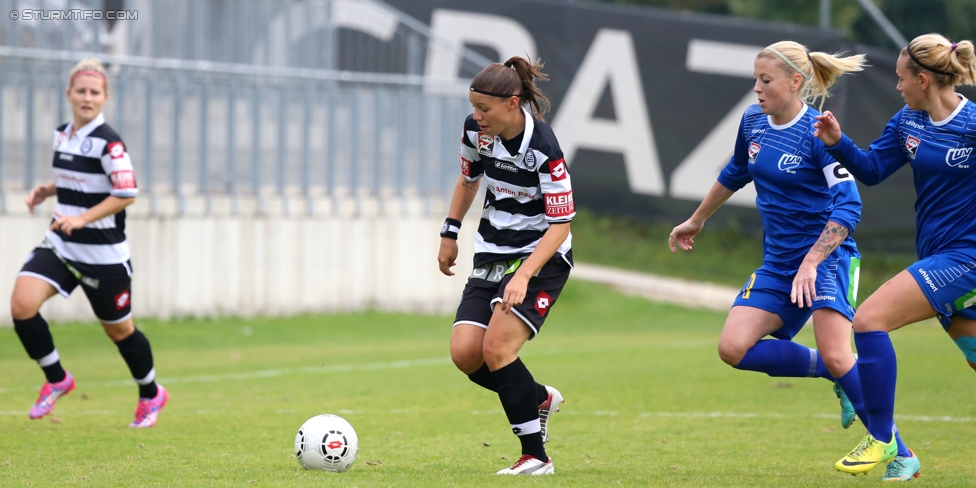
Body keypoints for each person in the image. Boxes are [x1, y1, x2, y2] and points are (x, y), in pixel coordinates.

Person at [669, 40, 917, 482]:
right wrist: (696, 219)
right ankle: (834, 375)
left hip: (828, 259)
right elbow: (735, 172)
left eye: (765, 81)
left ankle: (900, 452)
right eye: (755, 80)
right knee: (733, 348)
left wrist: (811, 262)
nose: (757, 89)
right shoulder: (754, 121)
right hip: (779, 262)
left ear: (795, 82)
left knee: (841, 354)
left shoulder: (819, 134)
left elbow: (849, 208)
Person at [814, 33, 976, 479]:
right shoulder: (908, 123)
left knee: (868, 320)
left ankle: (883, 440)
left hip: (967, 260)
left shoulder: (974, 124)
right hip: (940, 257)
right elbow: (870, 169)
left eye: (902, 79)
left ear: (923, 79)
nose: (898, 86)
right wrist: (837, 141)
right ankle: (900, 453)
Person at [10, 58, 168, 428]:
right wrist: (47, 190)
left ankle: (150, 394)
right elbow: (74, 179)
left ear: (105, 97)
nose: (87, 97)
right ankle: (57, 379)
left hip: (104, 257)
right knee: (21, 304)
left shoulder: (110, 145)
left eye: (94, 92)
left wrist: (81, 218)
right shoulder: (62, 133)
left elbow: (126, 192)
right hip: (62, 246)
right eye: (80, 90)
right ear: (69, 94)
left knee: (119, 331)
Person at [437, 55, 574, 476]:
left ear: (513, 103)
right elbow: (468, 180)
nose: (477, 117)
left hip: (542, 256)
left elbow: (561, 223)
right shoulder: (474, 132)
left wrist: (525, 275)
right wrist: (450, 232)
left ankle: (536, 457)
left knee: (498, 348)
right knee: (465, 354)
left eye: (485, 109)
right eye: (474, 107)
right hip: (491, 251)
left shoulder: (544, 148)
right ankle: (537, 397)